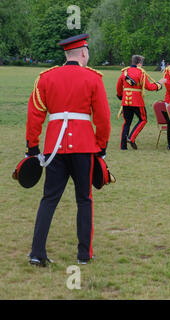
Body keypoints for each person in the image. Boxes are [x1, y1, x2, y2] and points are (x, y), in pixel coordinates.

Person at [26, 34, 111, 267]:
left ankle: (36, 252)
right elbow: (102, 117)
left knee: (49, 200)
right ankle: (84, 254)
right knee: (84, 200)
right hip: (85, 148)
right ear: (83, 53)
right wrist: (101, 146)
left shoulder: (46, 77)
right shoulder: (93, 78)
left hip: (54, 147)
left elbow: (34, 114)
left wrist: (32, 146)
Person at [116, 55, 165, 150]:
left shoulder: (124, 71)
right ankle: (131, 137)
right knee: (143, 119)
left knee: (127, 122)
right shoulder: (141, 72)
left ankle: (123, 146)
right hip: (137, 101)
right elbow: (149, 87)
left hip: (126, 100)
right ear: (139, 63)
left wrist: (120, 96)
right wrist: (159, 84)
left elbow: (119, 85)